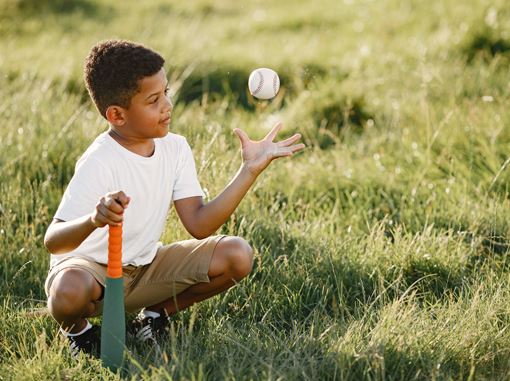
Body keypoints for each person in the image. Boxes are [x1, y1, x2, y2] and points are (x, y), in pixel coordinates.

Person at [43, 39, 305, 357]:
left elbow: (198, 224)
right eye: (153, 100)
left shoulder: (175, 147)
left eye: (166, 92)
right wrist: (94, 218)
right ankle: (79, 332)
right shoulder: (100, 160)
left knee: (237, 255)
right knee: (68, 290)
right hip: (91, 273)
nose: (167, 105)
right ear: (117, 115)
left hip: (145, 267)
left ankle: (154, 316)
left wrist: (248, 170)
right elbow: (54, 242)